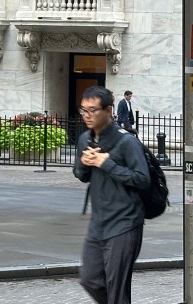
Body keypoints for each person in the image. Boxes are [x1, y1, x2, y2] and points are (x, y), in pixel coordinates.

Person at [73, 86, 150, 304]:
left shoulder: (127, 142)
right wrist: (84, 163)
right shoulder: (85, 139)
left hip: (125, 224)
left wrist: (108, 164)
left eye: (92, 110)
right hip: (98, 224)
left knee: (116, 290)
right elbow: (81, 175)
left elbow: (142, 179)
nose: (87, 116)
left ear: (108, 110)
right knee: (89, 279)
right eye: (83, 110)